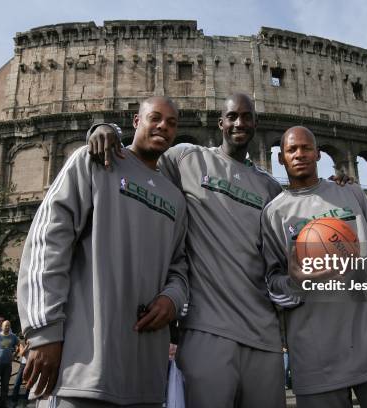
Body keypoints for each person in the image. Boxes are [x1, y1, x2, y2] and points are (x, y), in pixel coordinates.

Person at [89, 93, 287, 407]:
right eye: (232, 116)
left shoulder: (270, 188)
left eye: (246, 117)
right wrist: (106, 128)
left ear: (255, 124)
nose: (239, 123)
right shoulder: (186, 158)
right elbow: (138, 158)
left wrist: (332, 187)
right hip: (206, 329)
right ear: (220, 122)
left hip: (264, 334)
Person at [17, 96, 189, 407]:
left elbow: (179, 265)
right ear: (136, 122)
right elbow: (47, 241)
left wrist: (172, 298)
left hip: (144, 378)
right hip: (80, 369)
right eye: (155, 118)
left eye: (172, 123)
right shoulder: (93, 161)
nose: (164, 125)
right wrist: (44, 332)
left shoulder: (174, 198)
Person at [261, 126, 367, 408]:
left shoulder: (351, 194)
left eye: (306, 148)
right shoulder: (274, 214)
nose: (300, 154)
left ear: (318, 154)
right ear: (281, 159)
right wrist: (296, 282)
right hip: (316, 359)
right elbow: (272, 284)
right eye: (292, 150)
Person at [11, 338, 30, 407]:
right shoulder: (22, 343)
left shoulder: (34, 342)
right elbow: (22, 353)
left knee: (29, 383)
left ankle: (26, 400)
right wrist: (27, 346)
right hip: (24, 364)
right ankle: (14, 400)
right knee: (17, 383)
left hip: (32, 364)